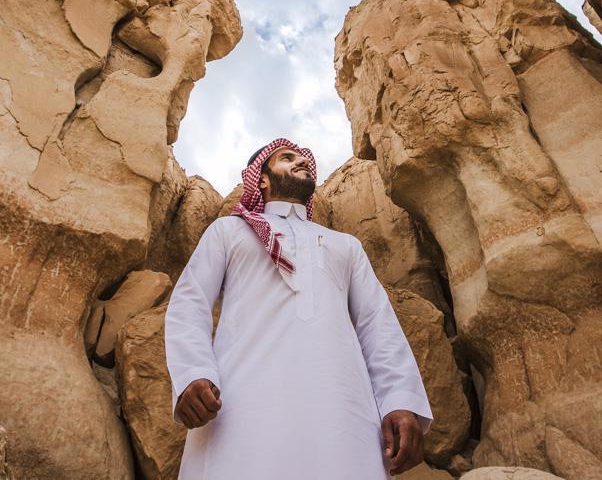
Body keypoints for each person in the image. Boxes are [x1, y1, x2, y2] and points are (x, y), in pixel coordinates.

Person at [164, 138, 433, 479]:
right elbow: (190, 302)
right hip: (240, 410)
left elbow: (377, 324)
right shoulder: (229, 231)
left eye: (304, 157)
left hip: (343, 413)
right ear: (260, 178)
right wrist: (192, 374)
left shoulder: (345, 246)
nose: (301, 161)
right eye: (286, 158)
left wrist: (400, 400)